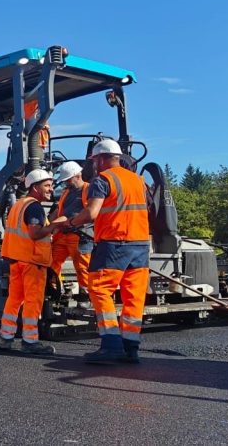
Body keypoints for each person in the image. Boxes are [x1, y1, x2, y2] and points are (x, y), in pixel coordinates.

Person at [66, 139, 151, 364]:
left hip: (114, 244)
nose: (94, 164)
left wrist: (72, 222)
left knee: (100, 289)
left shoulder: (102, 180)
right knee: (133, 297)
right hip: (140, 245)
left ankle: (111, 345)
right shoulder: (139, 181)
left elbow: (92, 213)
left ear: (101, 159)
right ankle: (130, 348)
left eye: (94, 160)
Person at [0, 169, 67, 355]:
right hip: (32, 261)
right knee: (32, 301)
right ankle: (30, 341)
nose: (50, 189)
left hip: (16, 259)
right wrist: (56, 224)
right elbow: (35, 233)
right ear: (35, 187)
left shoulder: (20, 205)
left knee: (14, 300)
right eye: (47, 185)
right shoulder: (34, 206)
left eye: (51, 185)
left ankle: (6, 337)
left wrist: (50, 221)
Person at [49, 161, 93, 307]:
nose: (66, 183)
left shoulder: (88, 190)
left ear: (77, 175)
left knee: (83, 267)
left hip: (80, 234)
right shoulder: (66, 192)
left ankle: (85, 297)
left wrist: (49, 228)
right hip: (63, 234)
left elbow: (69, 216)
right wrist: (49, 222)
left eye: (68, 179)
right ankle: (53, 292)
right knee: (52, 263)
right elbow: (58, 211)